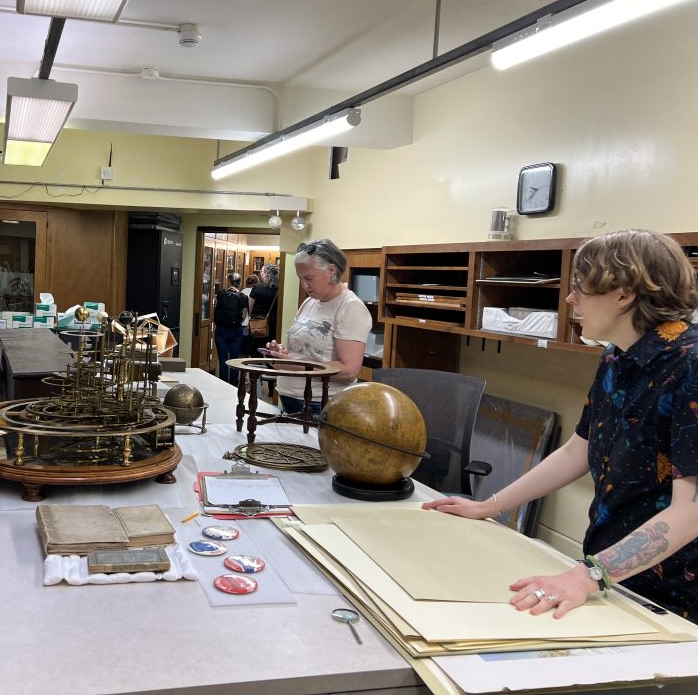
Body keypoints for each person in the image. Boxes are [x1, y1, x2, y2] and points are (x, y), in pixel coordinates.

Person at [423, 229, 698, 621]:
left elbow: (692, 511)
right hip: (611, 574)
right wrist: (489, 505)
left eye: (582, 289)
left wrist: (589, 576)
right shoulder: (616, 358)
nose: (570, 300)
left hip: (674, 595)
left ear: (624, 294)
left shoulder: (690, 366)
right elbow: (578, 449)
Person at [265, 239, 370, 416]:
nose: (304, 285)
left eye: (309, 278)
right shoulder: (310, 302)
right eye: (300, 278)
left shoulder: (350, 307)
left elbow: (349, 370)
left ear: (331, 271)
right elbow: (304, 353)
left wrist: (292, 364)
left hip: (320, 405)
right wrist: (283, 354)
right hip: (292, 399)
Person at [213, 272, 248, 384]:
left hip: (221, 330)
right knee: (234, 359)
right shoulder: (243, 297)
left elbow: (216, 308)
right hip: (236, 331)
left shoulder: (221, 294)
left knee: (223, 359)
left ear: (229, 281)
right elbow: (243, 316)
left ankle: (223, 383)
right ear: (240, 282)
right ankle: (233, 383)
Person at [249, 263, 280, 352]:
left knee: (257, 348)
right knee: (272, 348)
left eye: (262, 271)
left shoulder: (258, 287)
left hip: (258, 323)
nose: (260, 274)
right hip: (275, 323)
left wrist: (252, 316)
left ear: (267, 273)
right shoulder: (280, 288)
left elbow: (250, 306)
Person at [240, 273, 260, 356]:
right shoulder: (256, 293)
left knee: (242, 350)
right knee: (250, 347)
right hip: (252, 323)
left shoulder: (242, 292)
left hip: (242, 323)